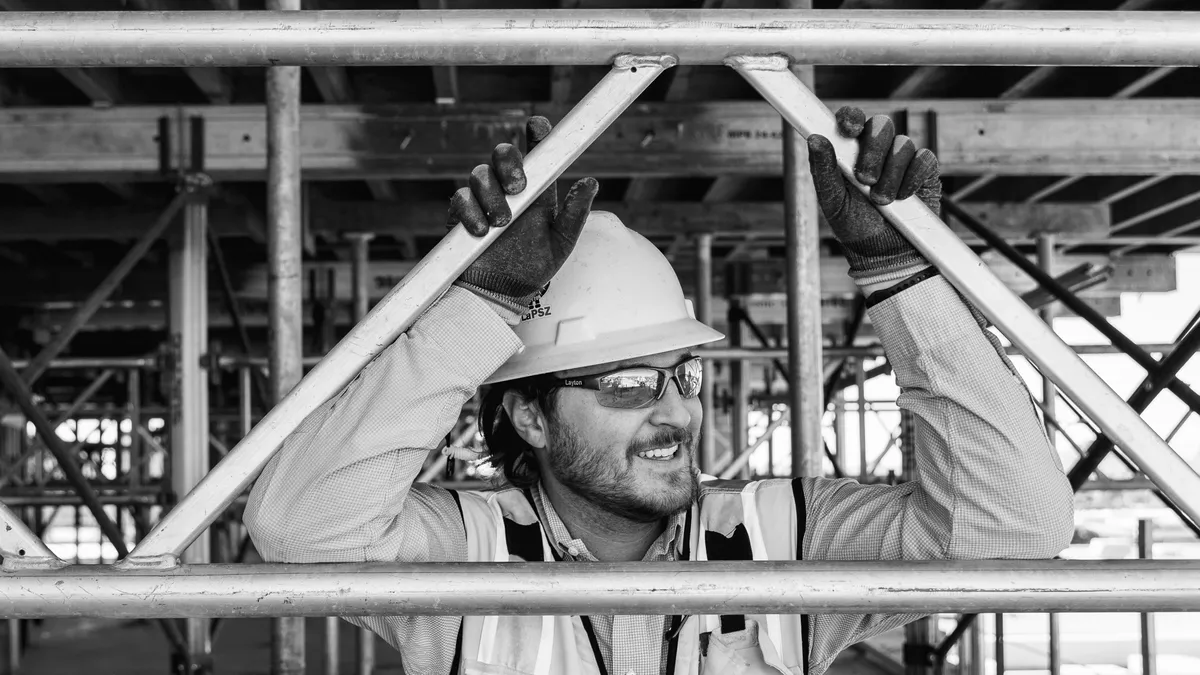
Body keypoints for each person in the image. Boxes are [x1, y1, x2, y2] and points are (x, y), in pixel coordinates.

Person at [245, 108, 1075, 675]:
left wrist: (907, 281)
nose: (677, 411)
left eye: (682, 376)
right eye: (632, 383)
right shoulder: (466, 551)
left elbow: (1019, 528)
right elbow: (300, 532)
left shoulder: (783, 538)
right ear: (530, 413)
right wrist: (480, 307)